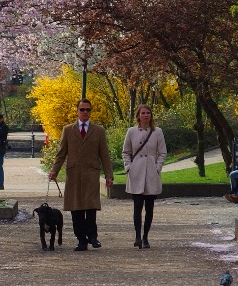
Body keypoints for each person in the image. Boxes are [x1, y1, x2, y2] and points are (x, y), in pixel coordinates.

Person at [48, 99, 114, 251]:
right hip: (74, 174)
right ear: (77, 111)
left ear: (91, 111)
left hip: (91, 173)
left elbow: (104, 155)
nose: (85, 112)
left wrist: (109, 175)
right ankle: (81, 240)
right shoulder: (68, 130)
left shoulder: (99, 131)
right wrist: (54, 171)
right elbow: (61, 153)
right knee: (76, 208)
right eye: (82, 109)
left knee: (91, 206)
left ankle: (93, 237)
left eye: (88, 110)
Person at [122, 104, 167, 249]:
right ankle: (137, 236)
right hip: (136, 172)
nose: (146, 115)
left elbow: (163, 152)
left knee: (149, 207)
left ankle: (146, 236)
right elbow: (126, 152)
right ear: (138, 115)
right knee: (137, 206)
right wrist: (129, 166)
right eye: (143, 113)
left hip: (151, 173)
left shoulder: (157, 132)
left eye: (148, 113)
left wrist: (157, 167)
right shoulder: (131, 131)